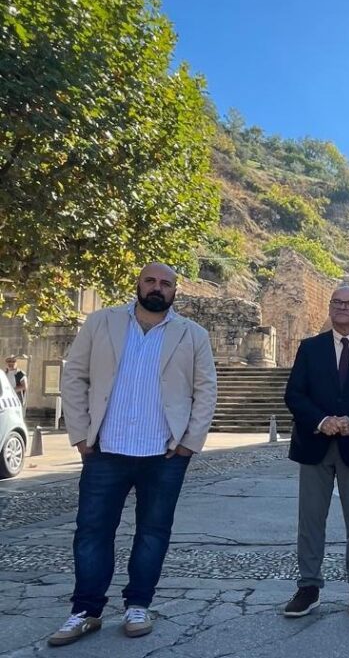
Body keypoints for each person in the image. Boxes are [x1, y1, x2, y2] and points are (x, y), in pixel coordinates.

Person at [49, 263, 217, 647]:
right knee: (92, 532)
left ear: (176, 291)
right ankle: (85, 610)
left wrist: (190, 441)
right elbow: (74, 375)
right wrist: (80, 435)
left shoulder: (192, 335)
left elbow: (205, 390)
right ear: (138, 285)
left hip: (164, 452)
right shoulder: (101, 323)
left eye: (166, 283)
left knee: (153, 533)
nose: (158, 288)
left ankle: (138, 604)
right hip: (106, 449)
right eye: (151, 281)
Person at [283, 286, 349, 618]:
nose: (343, 308)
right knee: (311, 519)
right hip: (314, 444)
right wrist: (322, 420)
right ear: (329, 308)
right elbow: (294, 394)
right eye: (337, 302)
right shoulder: (310, 348)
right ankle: (309, 586)